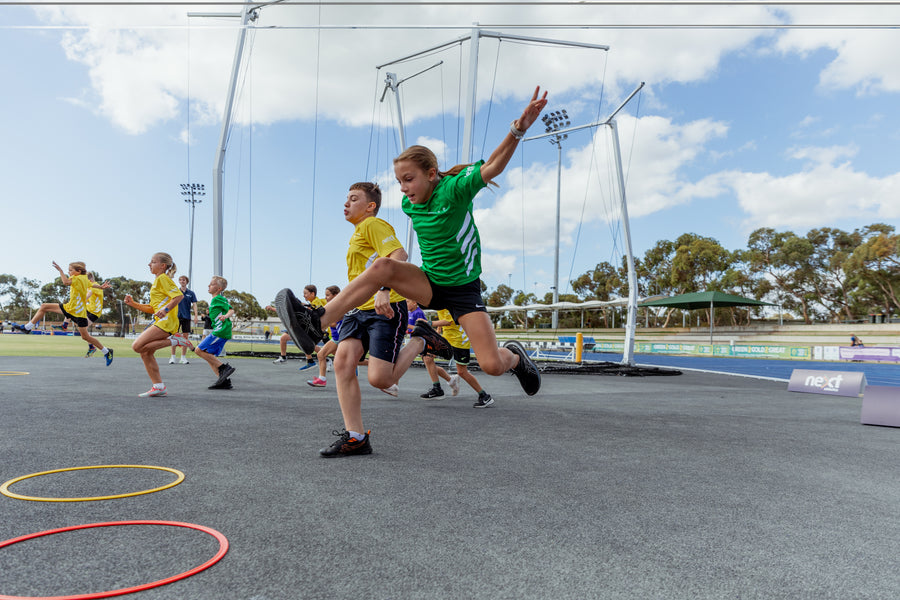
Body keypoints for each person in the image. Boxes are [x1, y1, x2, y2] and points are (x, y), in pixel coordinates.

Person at [279, 87, 546, 402]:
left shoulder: (456, 189)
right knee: (383, 266)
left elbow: (493, 168)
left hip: (463, 288)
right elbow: (394, 261)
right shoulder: (410, 205)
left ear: (431, 174)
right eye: (399, 182)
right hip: (429, 282)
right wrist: (383, 287)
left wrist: (518, 130)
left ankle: (514, 357)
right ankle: (316, 321)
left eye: (409, 179)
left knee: (491, 364)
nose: (404, 189)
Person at [278, 182, 452, 457]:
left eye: (354, 199)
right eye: (346, 198)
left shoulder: (374, 225)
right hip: (356, 311)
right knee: (342, 365)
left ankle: (421, 339)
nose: (346, 203)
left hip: (385, 309)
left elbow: (399, 256)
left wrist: (384, 289)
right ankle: (356, 437)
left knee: (381, 380)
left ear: (370, 206)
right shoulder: (358, 234)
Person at [13, 261, 113, 366]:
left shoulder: (77, 278)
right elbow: (92, 285)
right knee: (44, 306)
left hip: (79, 313)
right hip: (70, 308)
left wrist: (60, 271)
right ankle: (27, 328)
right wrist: (101, 287)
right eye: (68, 270)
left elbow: (65, 282)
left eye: (70, 270)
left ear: (78, 271)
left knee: (85, 337)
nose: (69, 272)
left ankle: (107, 351)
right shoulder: (84, 279)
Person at [124, 252, 193, 397]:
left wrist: (166, 309)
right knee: (145, 352)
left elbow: (179, 296)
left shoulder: (163, 278)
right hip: (161, 321)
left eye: (153, 262)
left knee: (136, 346)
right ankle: (159, 386)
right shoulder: (157, 281)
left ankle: (176, 340)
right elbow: (152, 308)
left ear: (162, 266)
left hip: (166, 322)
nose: (149, 264)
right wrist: (133, 304)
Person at [420, 309, 494, 408]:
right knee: (427, 357)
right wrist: (438, 330)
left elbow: (449, 321)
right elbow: (443, 318)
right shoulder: (439, 301)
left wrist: (429, 323)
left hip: (459, 340)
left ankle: (484, 396)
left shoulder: (450, 300)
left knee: (462, 372)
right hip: (447, 337)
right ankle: (437, 388)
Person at [193, 276, 237, 390]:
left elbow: (231, 310)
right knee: (209, 356)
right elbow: (229, 309)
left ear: (219, 288)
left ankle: (224, 368)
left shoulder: (219, 298)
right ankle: (223, 381)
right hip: (219, 331)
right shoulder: (214, 300)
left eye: (211, 284)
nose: (208, 285)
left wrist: (225, 316)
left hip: (221, 331)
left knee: (198, 350)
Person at [272, 284, 324, 368]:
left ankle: (322, 357)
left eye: (305, 293)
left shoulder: (316, 302)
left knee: (304, 342)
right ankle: (311, 360)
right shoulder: (311, 303)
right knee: (303, 342)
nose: (304, 295)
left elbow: (313, 313)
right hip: (302, 325)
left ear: (312, 294)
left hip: (309, 327)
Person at [169, 275, 198, 365]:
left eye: (184, 280)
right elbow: (171, 303)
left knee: (185, 337)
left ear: (187, 281)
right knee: (173, 337)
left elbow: (194, 304)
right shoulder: (176, 292)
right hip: (176, 317)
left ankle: (183, 358)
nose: (182, 281)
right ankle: (173, 357)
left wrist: (196, 316)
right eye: (180, 280)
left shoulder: (191, 293)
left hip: (187, 317)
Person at [83, 272, 108, 358]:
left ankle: (92, 347)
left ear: (89, 280)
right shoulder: (89, 286)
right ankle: (92, 347)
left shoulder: (95, 286)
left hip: (94, 312)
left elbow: (87, 295)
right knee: (82, 328)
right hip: (89, 309)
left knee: (83, 328)